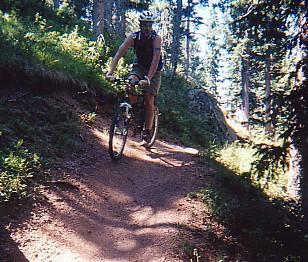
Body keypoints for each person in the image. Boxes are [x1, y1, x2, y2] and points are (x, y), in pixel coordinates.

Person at [106, 10, 163, 145]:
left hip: (154, 70)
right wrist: (110, 72)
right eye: (144, 25)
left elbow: (155, 60)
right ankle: (133, 109)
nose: (147, 28)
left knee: (149, 99)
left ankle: (147, 133)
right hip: (139, 65)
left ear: (152, 26)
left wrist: (148, 79)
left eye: (149, 25)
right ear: (140, 25)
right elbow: (119, 53)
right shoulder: (133, 37)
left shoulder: (156, 39)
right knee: (130, 83)